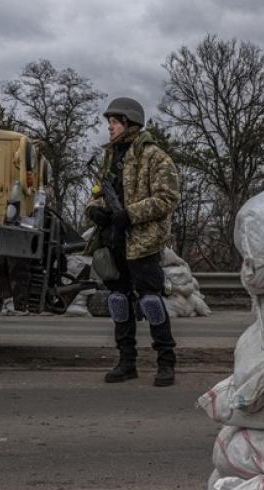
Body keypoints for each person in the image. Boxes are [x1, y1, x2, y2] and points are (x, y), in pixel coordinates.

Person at [84, 97, 180, 387]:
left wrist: (130, 214)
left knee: (151, 301)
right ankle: (126, 363)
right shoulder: (109, 156)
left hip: (142, 242)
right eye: (109, 123)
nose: (109, 128)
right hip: (114, 240)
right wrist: (93, 210)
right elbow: (98, 190)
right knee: (118, 301)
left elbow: (167, 198)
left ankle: (166, 363)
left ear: (128, 123)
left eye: (113, 123)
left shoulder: (155, 157)